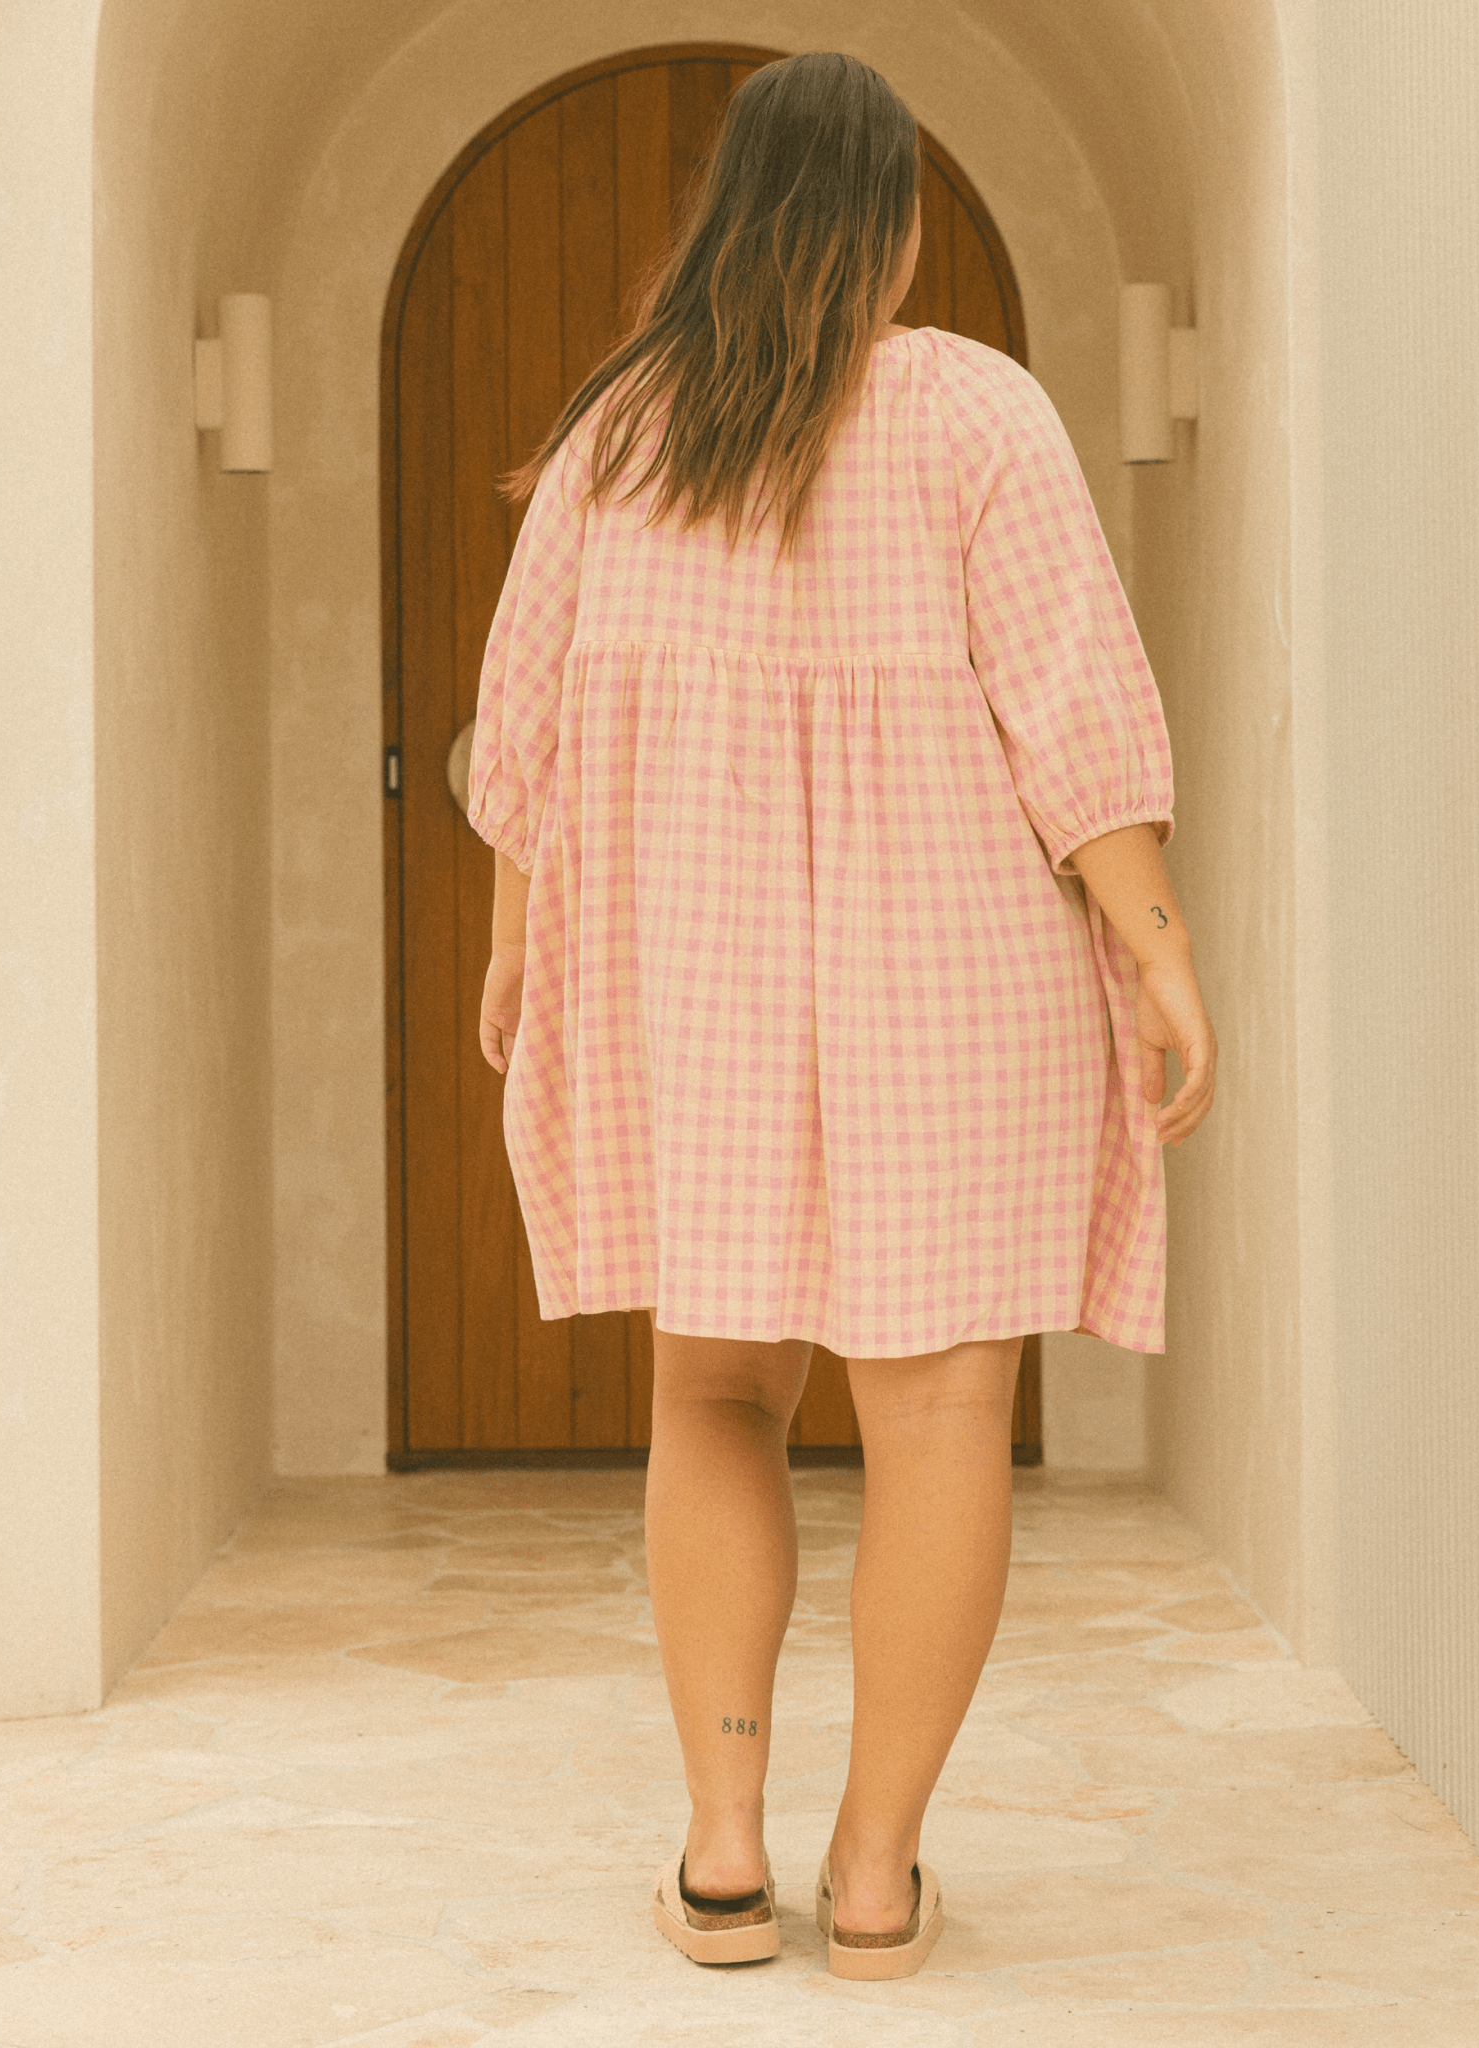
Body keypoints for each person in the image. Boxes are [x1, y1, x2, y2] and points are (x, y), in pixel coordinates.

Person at [466, 49, 1217, 1980]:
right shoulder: (973, 408)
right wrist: (1157, 948)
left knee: (713, 1390)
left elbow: (519, 737)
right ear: (889, 227)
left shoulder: (621, 431)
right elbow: (1072, 710)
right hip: (952, 977)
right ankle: (873, 1875)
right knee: (941, 1409)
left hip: (691, 977)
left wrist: (514, 948)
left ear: (728, 212)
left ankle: (723, 1857)